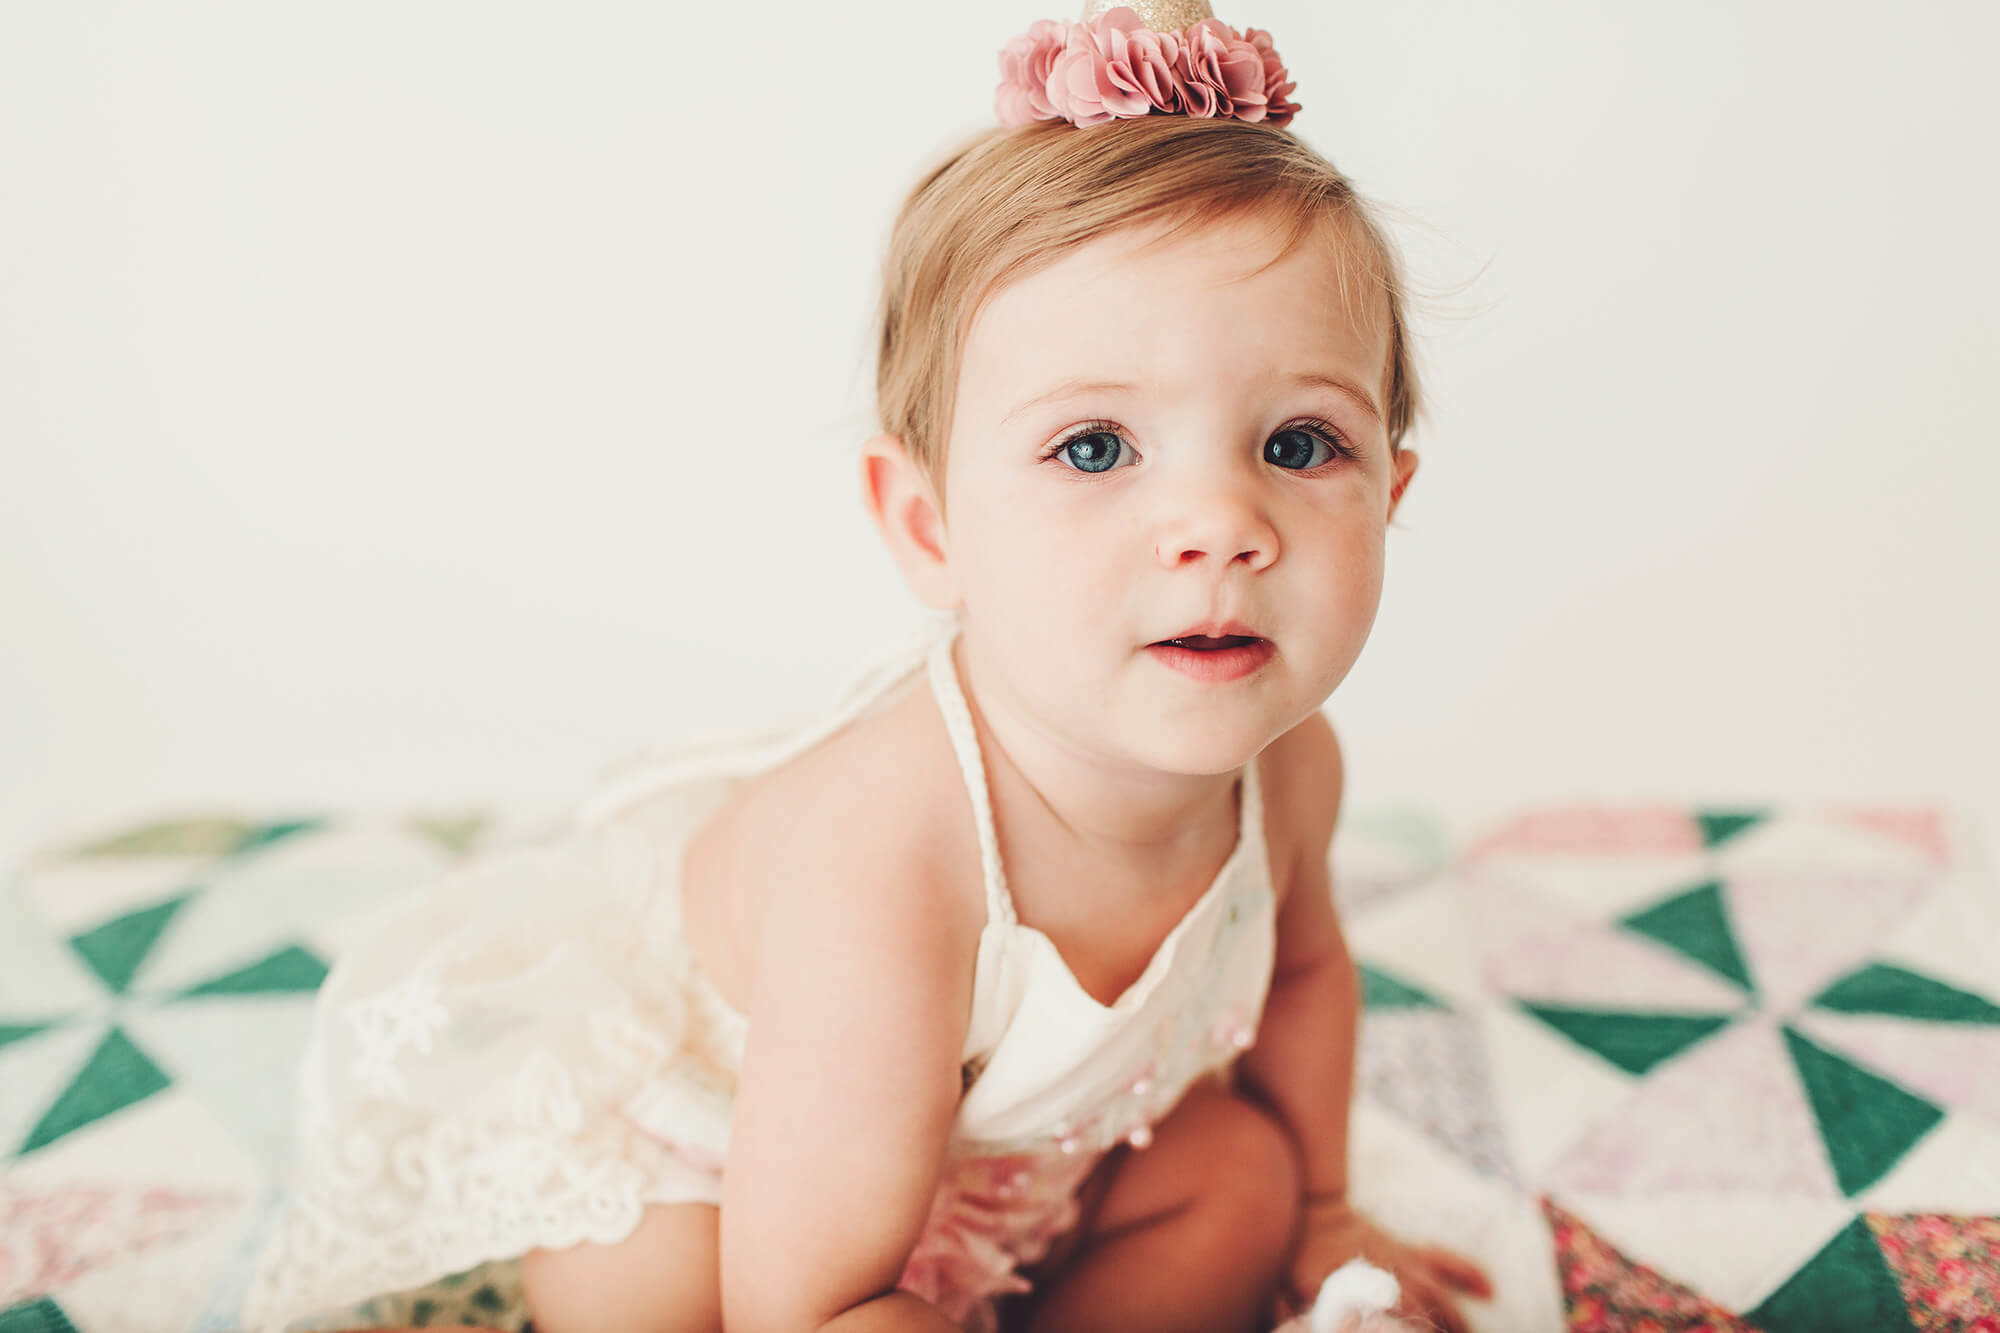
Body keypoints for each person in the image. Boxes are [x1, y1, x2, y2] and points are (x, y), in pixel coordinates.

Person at [241, 3, 1495, 1330]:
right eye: (1094, 448)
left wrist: (1324, 1211)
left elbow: (1301, 974)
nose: (1222, 526)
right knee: (652, 1293)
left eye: (1299, 445)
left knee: (1243, 1171)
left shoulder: (1295, 769)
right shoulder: (892, 854)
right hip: (727, 1166)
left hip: (1012, 1159)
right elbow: (805, 1300)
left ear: (1393, 491)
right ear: (928, 525)